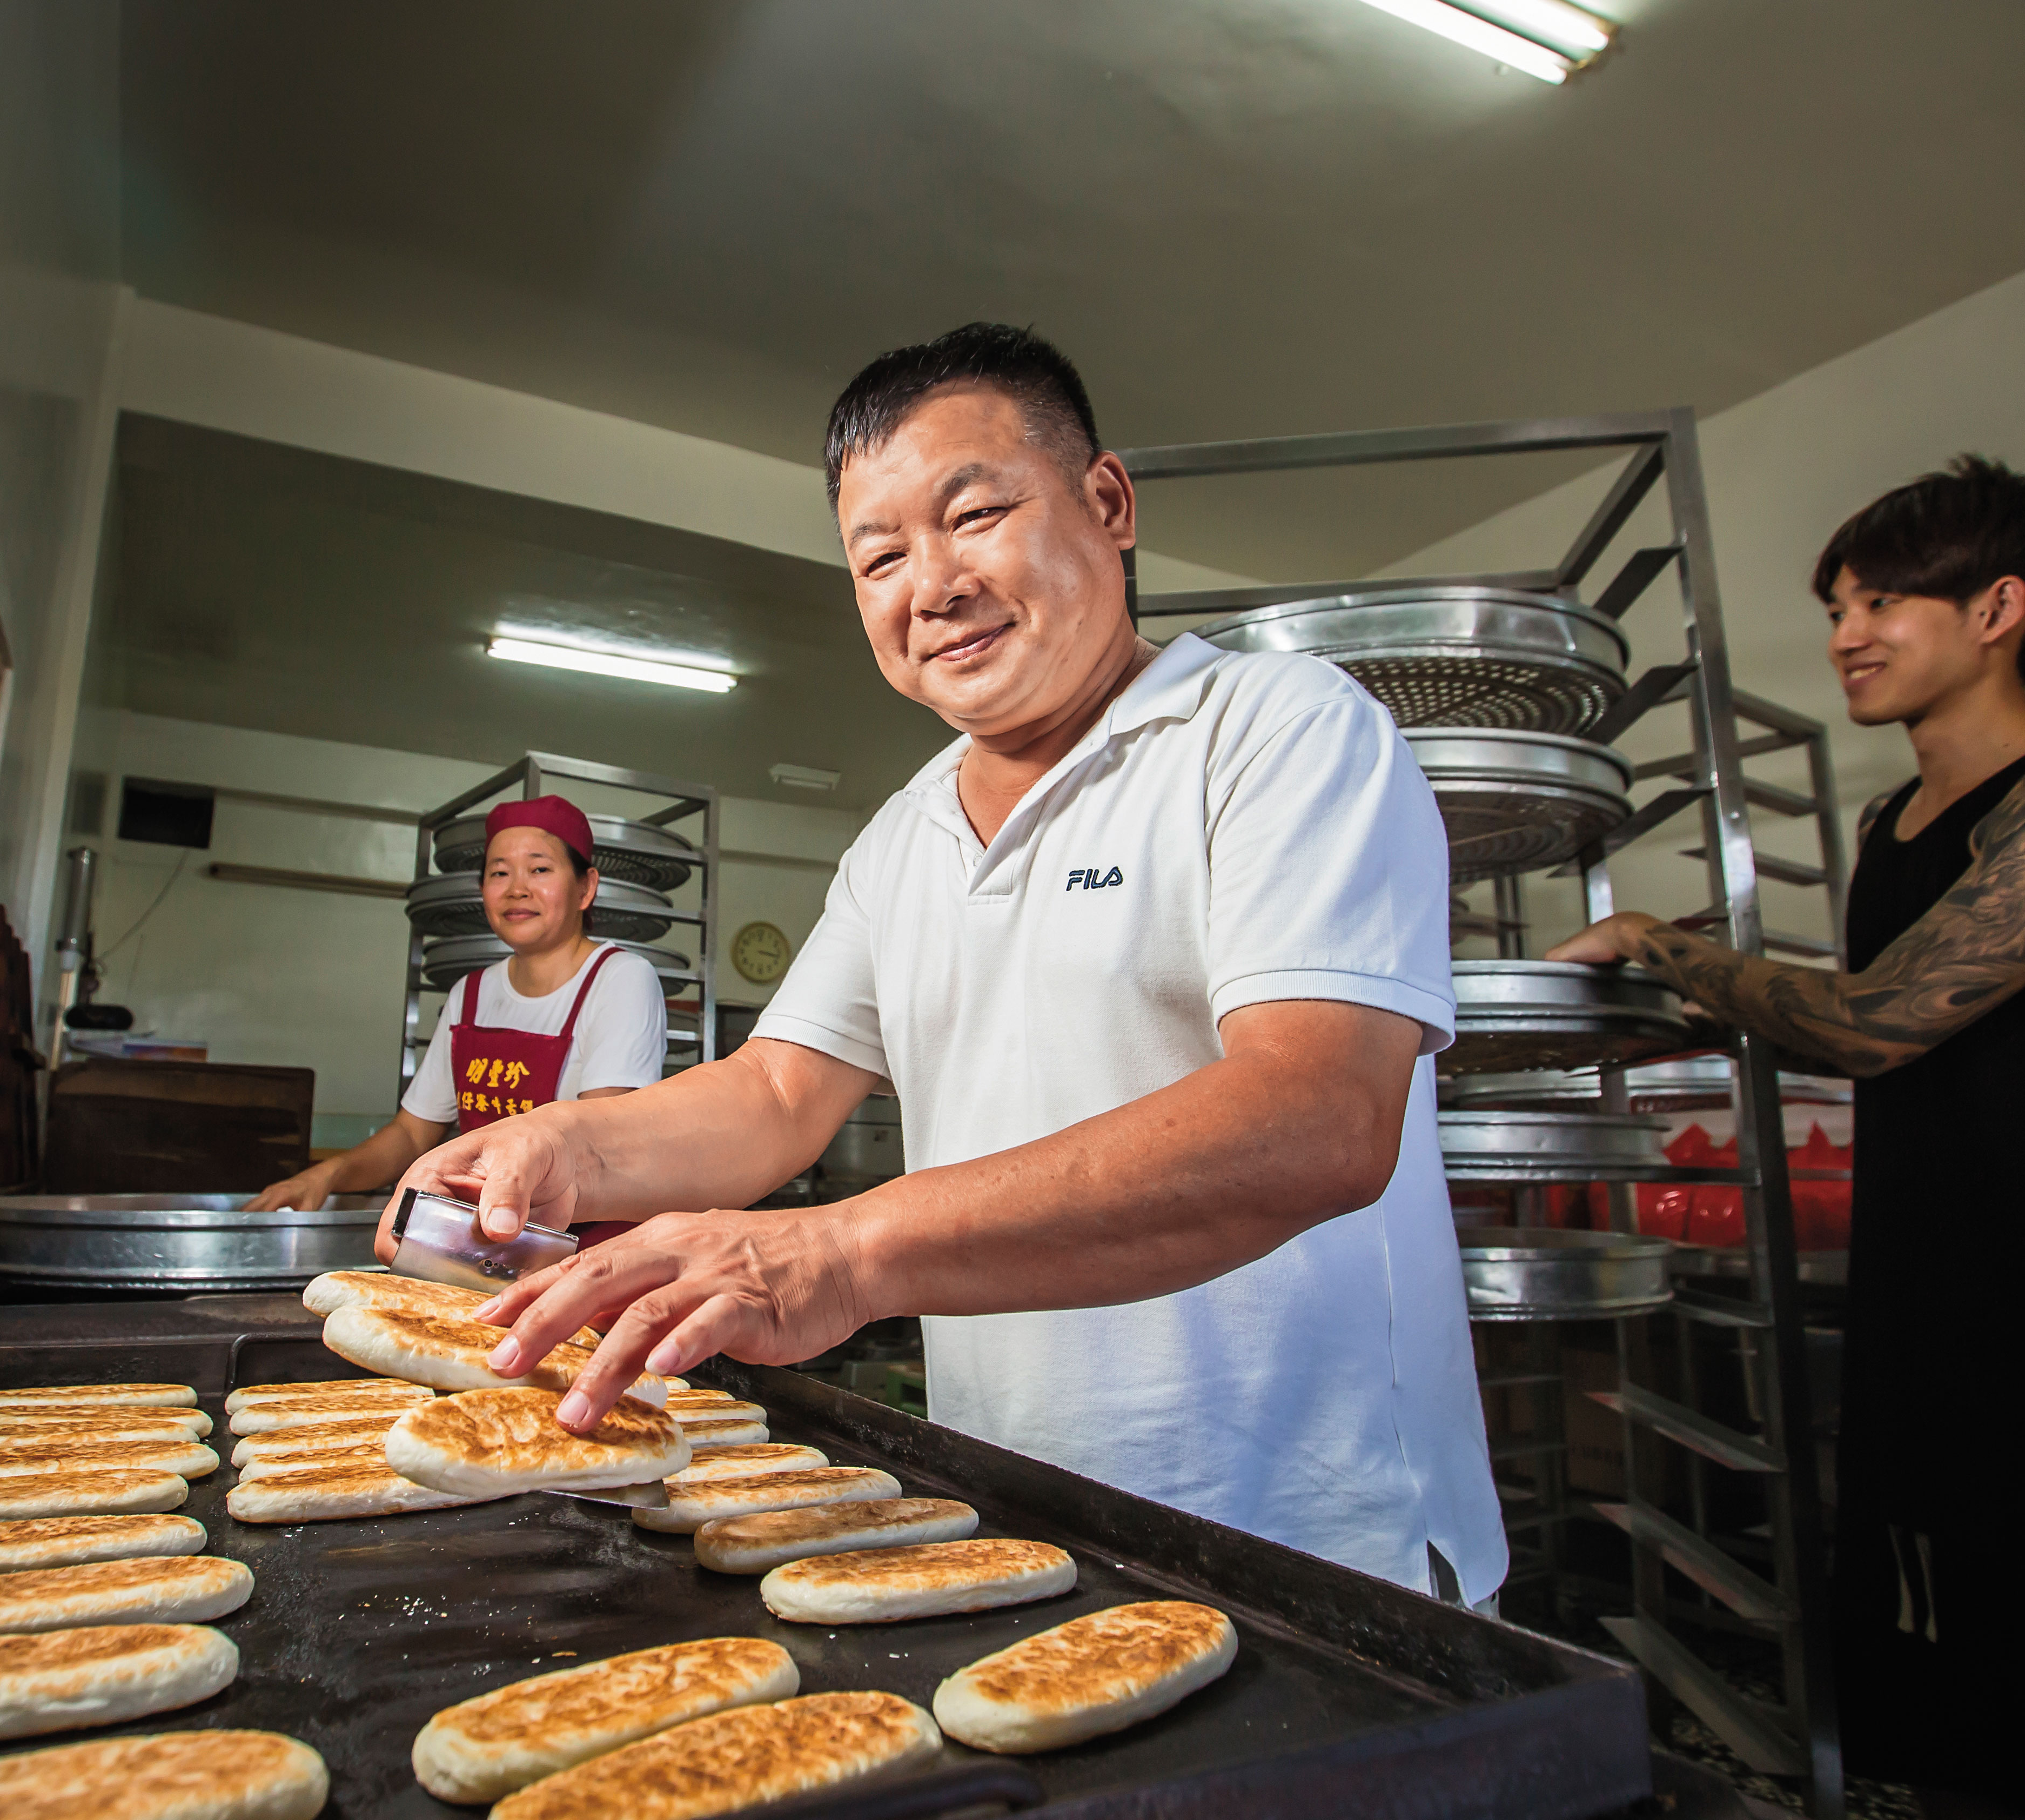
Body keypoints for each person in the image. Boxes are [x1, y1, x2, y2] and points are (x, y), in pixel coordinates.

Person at [378, 323, 1505, 1603]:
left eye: (973, 516)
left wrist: (841, 1252)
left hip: (1313, 1538)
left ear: (1107, 502)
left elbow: (1318, 1114)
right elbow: (775, 1093)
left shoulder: (1273, 730)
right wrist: (564, 1146)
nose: (932, 584)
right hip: (1017, 1518)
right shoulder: (901, 837)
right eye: (879, 557)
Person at [1546, 457, 2025, 1820]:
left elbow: (1884, 1017)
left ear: (1998, 608)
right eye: (1837, 605)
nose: (1846, 634)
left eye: (1882, 601)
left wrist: (1656, 942)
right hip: (1941, 1344)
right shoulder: (1892, 826)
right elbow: (1873, 1014)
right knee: (1949, 1737)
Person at [249, 797, 667, 1215]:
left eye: (539, 869)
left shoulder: (621, 979)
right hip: (485, 1229)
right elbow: (412, 1134)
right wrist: (326, 1175)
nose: (517, 889)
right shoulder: (470, 993)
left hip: (579, 1232)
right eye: (499, 872)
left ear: (585, 888)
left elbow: (597, 1139)